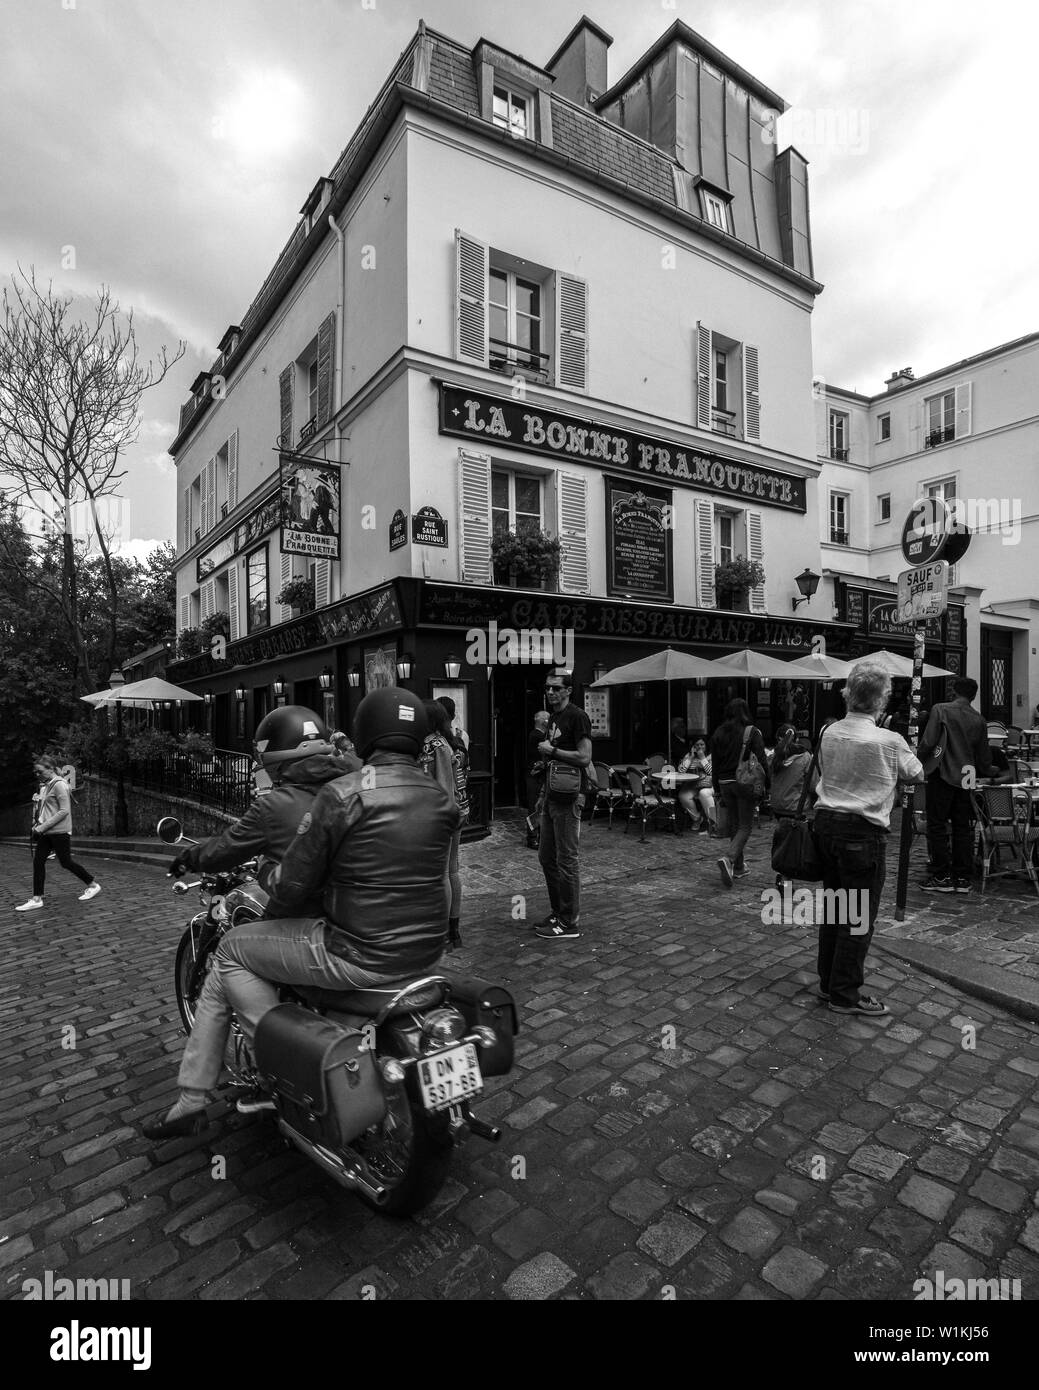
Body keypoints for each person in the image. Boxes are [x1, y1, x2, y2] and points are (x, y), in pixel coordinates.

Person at [143, 689, 460, 1140]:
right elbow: (442, 876)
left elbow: (292, 886)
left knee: (233, 950)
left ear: (367, 733)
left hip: (356, 949)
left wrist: (271, 876)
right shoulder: (437, 797)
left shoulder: (343, 795)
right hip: (426, 952)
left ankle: (271, 1066)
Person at [168, 706, 359, 914]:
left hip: (309, 918)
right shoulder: (355, 783)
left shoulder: (273, 804)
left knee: (232, 944)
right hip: (358, 913)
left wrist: (187, 860)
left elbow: (227, 848)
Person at [812, 661, 923, 1017]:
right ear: (881, 700)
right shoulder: (890, 740)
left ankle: (828, 982)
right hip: (862, 832)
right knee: (857, 917)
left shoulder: (829, 732)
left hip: (826, 826)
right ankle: (845, 993)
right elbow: (916, 773)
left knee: (834, 909)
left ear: (848, 694)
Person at [917, 676, 1001, 894]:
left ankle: (941, 874)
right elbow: (983, 757)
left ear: (954, 691)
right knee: (962, 827)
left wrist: (918, 758)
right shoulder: (979, 719)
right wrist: (992, 770)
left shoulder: (941, 710)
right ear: (973, 695)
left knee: (937, 825)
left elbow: (928, 741)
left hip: (944, 772)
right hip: (967, 776)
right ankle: (963, 876)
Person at [536, 669, 592, 940]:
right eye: (547, 688)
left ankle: (569, 922)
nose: (550, 692)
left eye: (556, 688)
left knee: (567, 858)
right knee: (546, 856)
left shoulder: (577, 716)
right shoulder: (554, 717)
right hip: (551, 793)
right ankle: (559, 912)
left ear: (568, 690)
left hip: (570, 797)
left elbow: (584, 757)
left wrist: (553, 751)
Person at [17, 755, 100, 911]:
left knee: (66, 862)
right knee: (38, 861)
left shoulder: (59, 785)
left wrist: (41, 828)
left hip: (59, 832)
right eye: (35, 772)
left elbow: (64, 811)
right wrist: (38, 824)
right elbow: (48, 809)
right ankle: (37, 899)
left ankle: (93, 885)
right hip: (48, 832)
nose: (37, 774)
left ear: (50, 769)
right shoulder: (48, 785)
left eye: (39, 771)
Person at [421, 699, 468, 947]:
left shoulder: (434, 745)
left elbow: (443, 786)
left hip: (443, 815)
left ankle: (447, 932)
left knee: (445, 873)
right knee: (451, 871)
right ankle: (452, 931)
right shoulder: (446, 742)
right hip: (454, 812)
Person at [711, 699, 769, 887]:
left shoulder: (718, 732)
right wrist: (767, 784)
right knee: (745, 826)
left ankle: (738, 867)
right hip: (744, 782)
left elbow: (715, 764)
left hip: (724, 782)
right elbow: (761, 760)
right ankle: (729, 858)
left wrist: (716, 788)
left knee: (735, 825)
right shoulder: (752, 732)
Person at [677, 737, 715, 833]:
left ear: (706, 746)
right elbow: (681, 771)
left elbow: (711, 772)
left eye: (702, 744)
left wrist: (702, 758)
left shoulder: (711, 756)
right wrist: (690, 757)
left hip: (708, 784)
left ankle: (713, 823)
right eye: (697, 745)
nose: (699, 747)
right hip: (693, 784)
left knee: (704, 793)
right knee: (683, 796)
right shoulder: (689, 756)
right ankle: (697, 819)